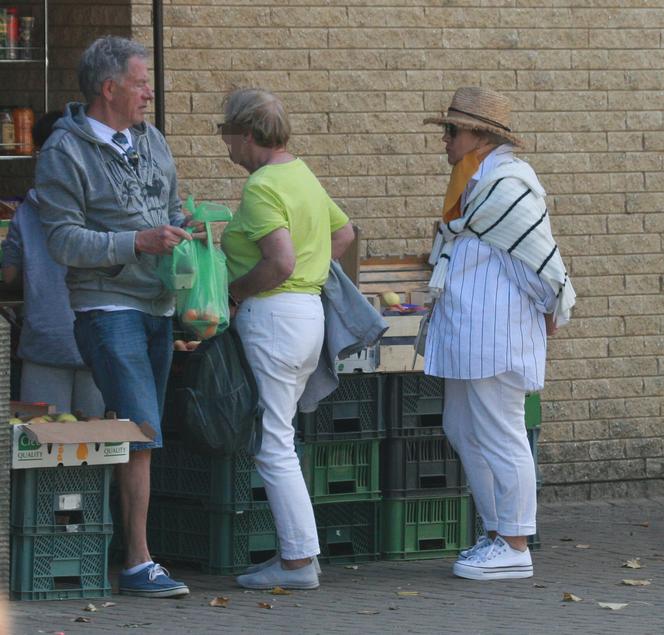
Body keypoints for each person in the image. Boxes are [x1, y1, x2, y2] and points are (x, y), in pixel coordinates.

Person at [35, 36, 194, 598]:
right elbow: (62, 241)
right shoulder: (65, 151)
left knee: (140, 430)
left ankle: (124, 549)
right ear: (109, 89)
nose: (150, 92)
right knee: (139, 429)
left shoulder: (152, 139)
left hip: (160, 305)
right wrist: (137, 242)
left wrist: (186, 237)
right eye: (140, 82)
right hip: (106, 306)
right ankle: (137, 562)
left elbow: (174, 208)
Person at [422, 87, 575, 580]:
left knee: (501, 431)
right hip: (471, 329)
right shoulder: (478, 180)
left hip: (497, 331)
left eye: (451, 131)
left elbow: (538, 261)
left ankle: (515, 543)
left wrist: (550, 306)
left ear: (480, 136)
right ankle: (497, 532)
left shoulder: (509, 182)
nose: (444, 140)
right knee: (463, 428)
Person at [218, 87, 355, 590]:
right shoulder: (301, 173)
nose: (225, 146)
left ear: (248, 135)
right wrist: (313, 273)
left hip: (273, 316)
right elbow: (343, 234)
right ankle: (300, 557)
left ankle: (299, 561)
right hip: (308, 314)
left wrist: (233, 293)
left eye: (227, 134)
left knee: (274, 443)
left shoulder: (262, 186)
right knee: (282, 437)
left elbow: (279, 261)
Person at [2, 111, 105, 417]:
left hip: (44, 340)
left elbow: (9, 275)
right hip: (95, 338)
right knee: (95, 448)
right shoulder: (103, 205)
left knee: (42, 446)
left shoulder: (26, 212)